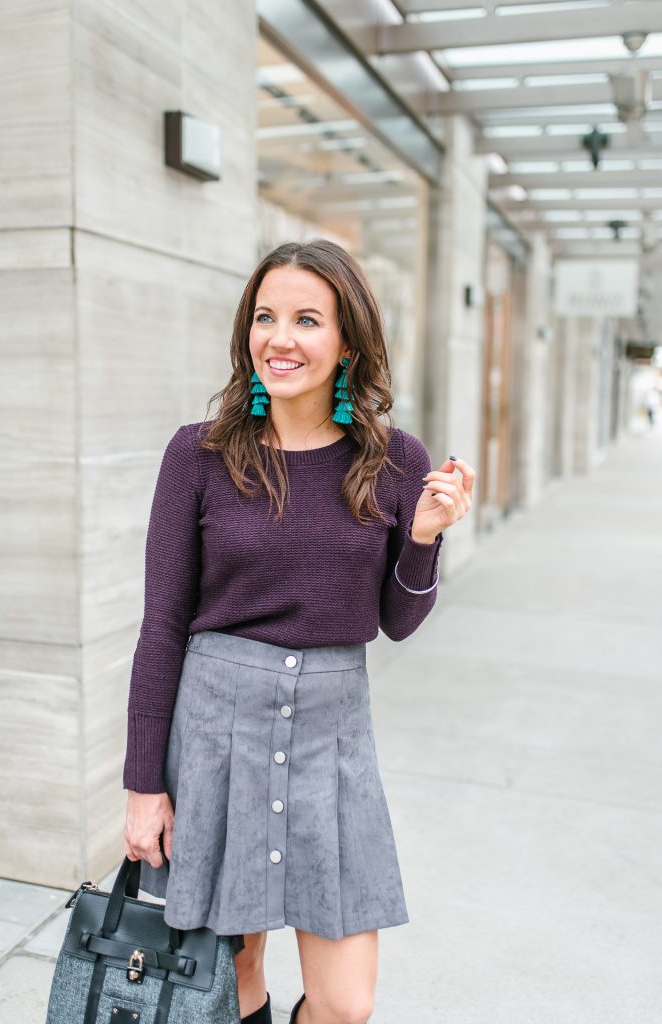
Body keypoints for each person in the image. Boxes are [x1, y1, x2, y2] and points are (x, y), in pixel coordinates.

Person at [122, 238, 475, 1024]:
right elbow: (162, 626)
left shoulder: (394, 462)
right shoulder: (200, 455)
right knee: (232, 977)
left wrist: (422, 537)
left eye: (307, 319)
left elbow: (398, 620)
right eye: (265, 317)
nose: (279, 339)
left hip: (332, 738)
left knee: (346, 1005)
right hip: (215, 733)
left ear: (347, 340)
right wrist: (144, 784)